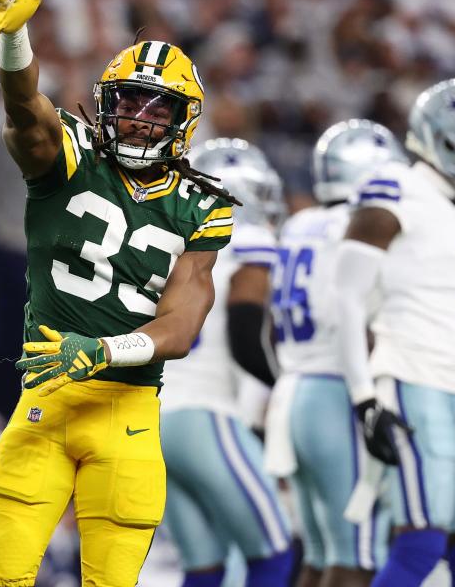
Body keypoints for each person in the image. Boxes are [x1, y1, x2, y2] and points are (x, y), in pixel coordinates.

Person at [0, 0, 238, 586]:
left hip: (128, 414)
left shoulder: (202, 206)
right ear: (104, 103)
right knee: (5, 580)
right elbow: (26, 111)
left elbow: (181, 324)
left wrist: (101, 352)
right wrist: (15, 43)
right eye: (126, 102)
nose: (138, 119)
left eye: (157, 108)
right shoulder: (68, 156)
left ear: (184, 121)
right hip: (44, 405)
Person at [333, 78, 455, 587]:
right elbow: (347, 298)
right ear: (448, 142)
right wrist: (364, 398)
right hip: (410, 377)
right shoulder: (395, 189)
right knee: (421, 539)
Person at [264, 119, 407, 587]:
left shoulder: (300, 223)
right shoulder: (355, 224)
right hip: (336, 390)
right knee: (357, 557)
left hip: (293, 393)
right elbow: (353, 317)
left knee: (322, 555)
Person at [159, 138, 293, 587]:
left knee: (204, 567)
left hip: (155, 415)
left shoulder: (164, 241)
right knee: (274, 553)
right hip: (204, 411)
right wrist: (285, 383)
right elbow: (243, 332)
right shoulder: (246, 238)